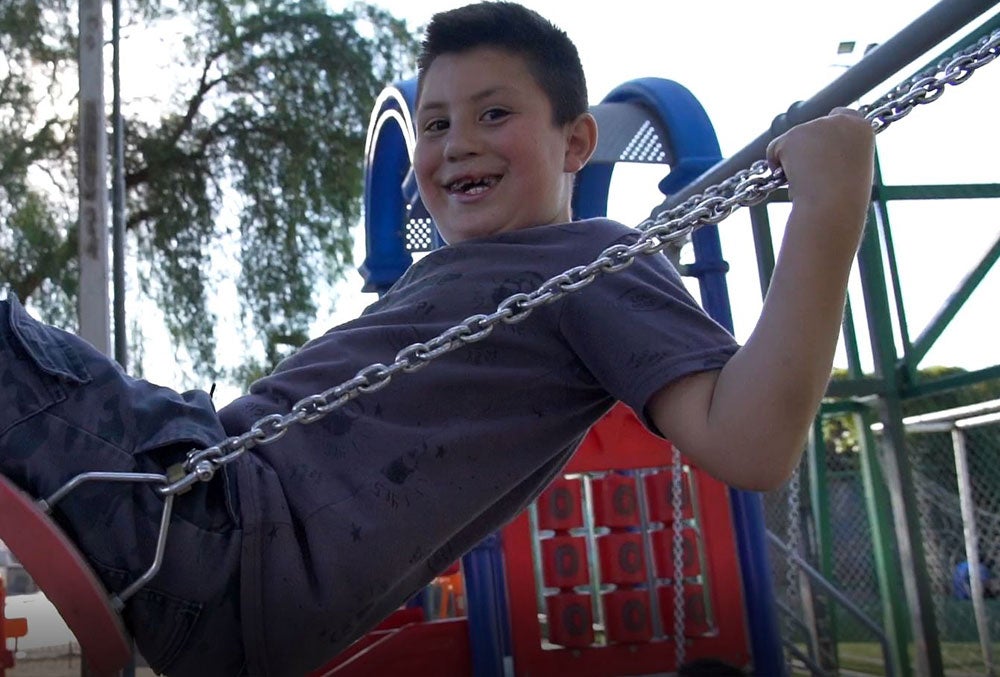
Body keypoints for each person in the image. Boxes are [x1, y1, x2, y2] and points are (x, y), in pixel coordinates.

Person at [0, 2, 875, 675]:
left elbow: (752, 442)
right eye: (437, 122)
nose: (457, 145)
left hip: (219, 532)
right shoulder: (461, 280)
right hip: (210, 528)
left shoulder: (590, 258)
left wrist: (829, 211)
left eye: (495, 115)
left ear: (576, 143)